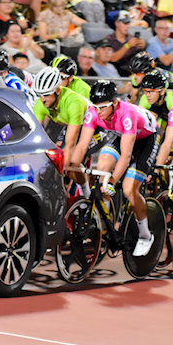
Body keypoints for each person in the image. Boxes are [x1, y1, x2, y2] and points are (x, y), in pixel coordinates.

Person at [66, 80, 162, 257]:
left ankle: (145, 235)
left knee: (128, 189)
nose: (98, 112)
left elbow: (125, 156)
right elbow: (81, 145)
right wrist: (73, 166)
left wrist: (112, 181)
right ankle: (106, 223)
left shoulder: (127, 114)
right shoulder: (93, 112)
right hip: (122, 136)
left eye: (102, 107)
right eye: (95, 107)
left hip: (146, 139)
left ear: (115, 104)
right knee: (102, 166)